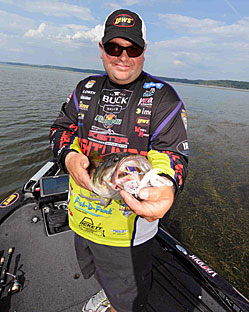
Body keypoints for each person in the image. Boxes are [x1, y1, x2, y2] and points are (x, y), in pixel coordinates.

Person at [50, 8, 188, 312]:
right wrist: (69, 157)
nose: (122, 56)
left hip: (126, 235)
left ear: (143, 52)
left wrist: (165, 184)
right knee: (98, 271)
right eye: (114, 47)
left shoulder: (164, 98)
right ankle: (108, 296)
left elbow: (171, 153)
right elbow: (61, 129)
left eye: (132, 49)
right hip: (81, 218)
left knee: (128, 290)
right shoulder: (84, 89)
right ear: (101, 50)